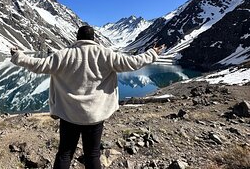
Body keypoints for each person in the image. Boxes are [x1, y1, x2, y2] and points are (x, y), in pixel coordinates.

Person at [10, 25, 165, 169]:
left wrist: (18, 56)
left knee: (64, 154)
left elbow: (38, 65)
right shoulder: (106, 54)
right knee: (92, 155)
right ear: (94, 39)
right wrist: (152, 53)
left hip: (69, 115)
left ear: (77, 38)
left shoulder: (63, 55)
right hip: (95, 116)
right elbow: (133, 62)